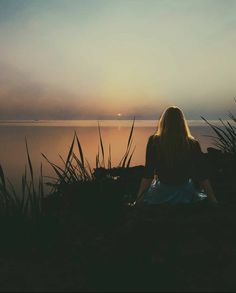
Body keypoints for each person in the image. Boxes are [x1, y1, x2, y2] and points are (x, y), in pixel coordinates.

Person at [135, 106, 218, 205]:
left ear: (164, 122)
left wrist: (138, 200)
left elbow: (148, 173)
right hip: (185, 191)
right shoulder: (192, 143)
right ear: (182, 122)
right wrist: (213, 200)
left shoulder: (154, 141)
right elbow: (201, 174)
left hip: (161, 192)